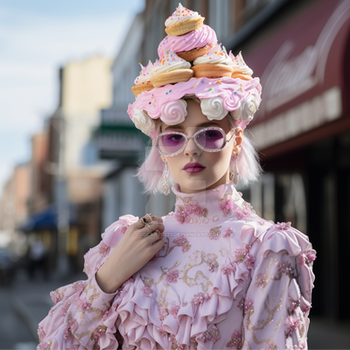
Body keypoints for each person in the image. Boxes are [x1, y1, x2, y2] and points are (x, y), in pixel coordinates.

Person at [37, 4, 315, 350]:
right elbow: (58, 344)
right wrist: (106, 279)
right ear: (159, 147)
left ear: (236, 140)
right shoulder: (127, 239)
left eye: (209, 133)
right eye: (173, 137)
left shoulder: (267, 249)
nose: (190, 150)